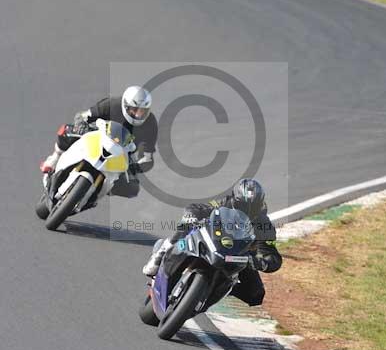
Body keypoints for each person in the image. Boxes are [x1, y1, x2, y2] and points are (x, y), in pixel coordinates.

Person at [142, 178, 282, 307]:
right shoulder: (224, 202)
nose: (247, 210)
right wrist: (191, 215)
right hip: (212, 240)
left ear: (260, 205)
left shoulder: (264, 224)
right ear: (235, 199)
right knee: (186, 224)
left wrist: (261, 262)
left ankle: (224, 290)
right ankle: (162, 253)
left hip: (239, 257)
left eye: (253, 207)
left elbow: (272, 255)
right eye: (242, 205)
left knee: (256, 295)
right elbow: (197, 207)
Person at [40, 86, 157, 197]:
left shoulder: (151, 124)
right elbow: (84, 115)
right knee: (67, 131)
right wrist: (81, 124)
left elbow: (147, 155)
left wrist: (138, 165)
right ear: (125, 105)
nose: (138, 114)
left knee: (133, 189)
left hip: (122, 155)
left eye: (143, 111)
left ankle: (102, 190)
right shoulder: (112, 104)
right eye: (134, 109)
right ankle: (55, 158)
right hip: (99, 137)